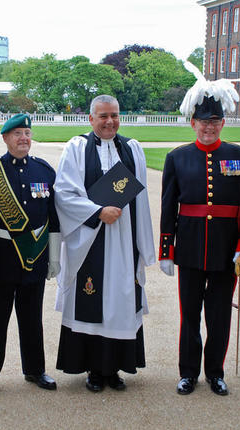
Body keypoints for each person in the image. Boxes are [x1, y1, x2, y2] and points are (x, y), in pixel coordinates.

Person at [159, 73, 240, 396]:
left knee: (218, 317)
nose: (208, 127)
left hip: (226, 250)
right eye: (203, 121)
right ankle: (188, 372)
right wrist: (166, 249)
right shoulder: (177, 158)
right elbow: (168, 207)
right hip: (189, 248)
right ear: (192, 123)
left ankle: (215, 372)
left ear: (223, 122)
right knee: (189, 316)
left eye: (214, 121)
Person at [54, 95, 155, 392]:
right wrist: (98, 212)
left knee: (121, 301)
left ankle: (114, 369)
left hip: (124, 241)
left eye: (114, 115)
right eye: (103, 116)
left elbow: (142, 200)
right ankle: (93, 371)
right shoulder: (75, 149)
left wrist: (143, 247)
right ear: (91, 118)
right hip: (90, 241)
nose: (109, 121)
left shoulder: (133, 150)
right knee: (92, 299)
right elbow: (64, 194)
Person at [0, 114, 61, 398]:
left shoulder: (44, 170)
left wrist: (54, 257)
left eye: (27, 133)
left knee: (31, 319)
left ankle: (35, 370)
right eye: (17, 134)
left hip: (34, 257)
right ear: (4, 138)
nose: (23, 138)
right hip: (0, 259)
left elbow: (54, 217)